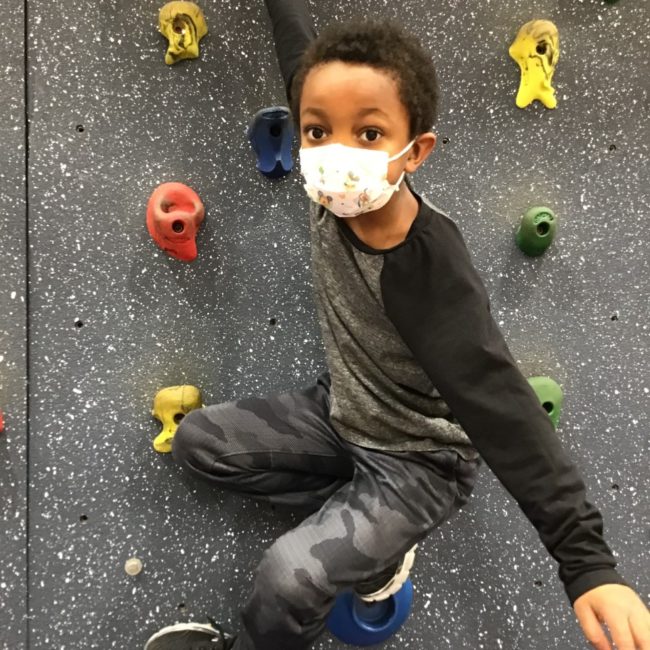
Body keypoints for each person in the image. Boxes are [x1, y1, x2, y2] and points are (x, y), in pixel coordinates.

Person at [145, 1, 650, 649]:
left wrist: (586, 563)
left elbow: (502, 405)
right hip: (345, 410)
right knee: (200, 443)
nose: (336, 154)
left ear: (416, 152)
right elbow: (300, 55)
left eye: (370, 134)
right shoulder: (328, 190)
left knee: (288, 575)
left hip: (421, 460)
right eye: (317, 131)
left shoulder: (427, 268)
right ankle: (358, 526)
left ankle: (357, 571)